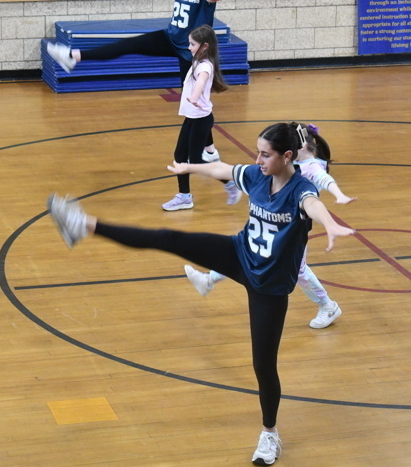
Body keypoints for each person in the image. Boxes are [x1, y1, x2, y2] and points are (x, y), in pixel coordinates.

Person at [47, 122, 356, 466]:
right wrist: (190, 168)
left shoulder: (300, 189)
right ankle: (81, 224)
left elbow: (313, 204)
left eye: (265, 154)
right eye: (257, 151)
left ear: (287, 157)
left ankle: (270, 434)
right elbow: (223, 168)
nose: (258, 159)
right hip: (240, 255)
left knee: (263, 366)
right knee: (167, 238)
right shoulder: (257, 175)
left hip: (268, 286)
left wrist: (329, 224)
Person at [45, 0, 223, 160]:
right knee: (129, 45)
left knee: (196, 104)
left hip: (192, 52)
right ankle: (73, 56)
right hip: (170, 39)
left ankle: (210, 151)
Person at [184, 124, 357, 328]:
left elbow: (322, 184)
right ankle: (209, 280)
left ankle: (327, 306)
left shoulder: (312, 168)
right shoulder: (290, 166)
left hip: (291, 233)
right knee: (250, 251)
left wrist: (339, 197)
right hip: (276, 226)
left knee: (298, 271)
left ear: (296, 149)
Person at [163, 24, 239, 211]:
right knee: (180, 156)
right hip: (194, 117)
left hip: (201, 119)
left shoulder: (204, 66)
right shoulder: (198, 60)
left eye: (192, 44)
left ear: (205, 46)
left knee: (195, 161)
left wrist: (194, 97)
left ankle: (230, 183)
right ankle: (184, 196)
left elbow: (202, 81)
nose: (189, 48)